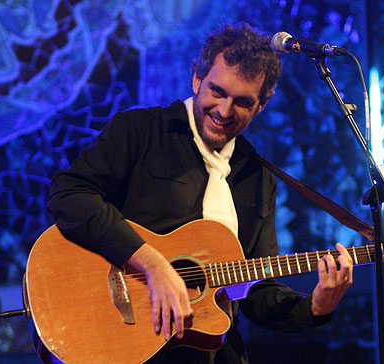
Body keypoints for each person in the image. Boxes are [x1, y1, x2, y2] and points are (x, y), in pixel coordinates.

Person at [48, 22, 353, 363]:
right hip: (132, 346)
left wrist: (315, 306)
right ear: (197, 79)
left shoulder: (257, 176)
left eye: (242, 102)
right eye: (217, 92)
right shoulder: (141, 131)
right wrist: (152, 264)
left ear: (261, 106)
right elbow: (69, 194)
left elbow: (257, 293)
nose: (224, 111)